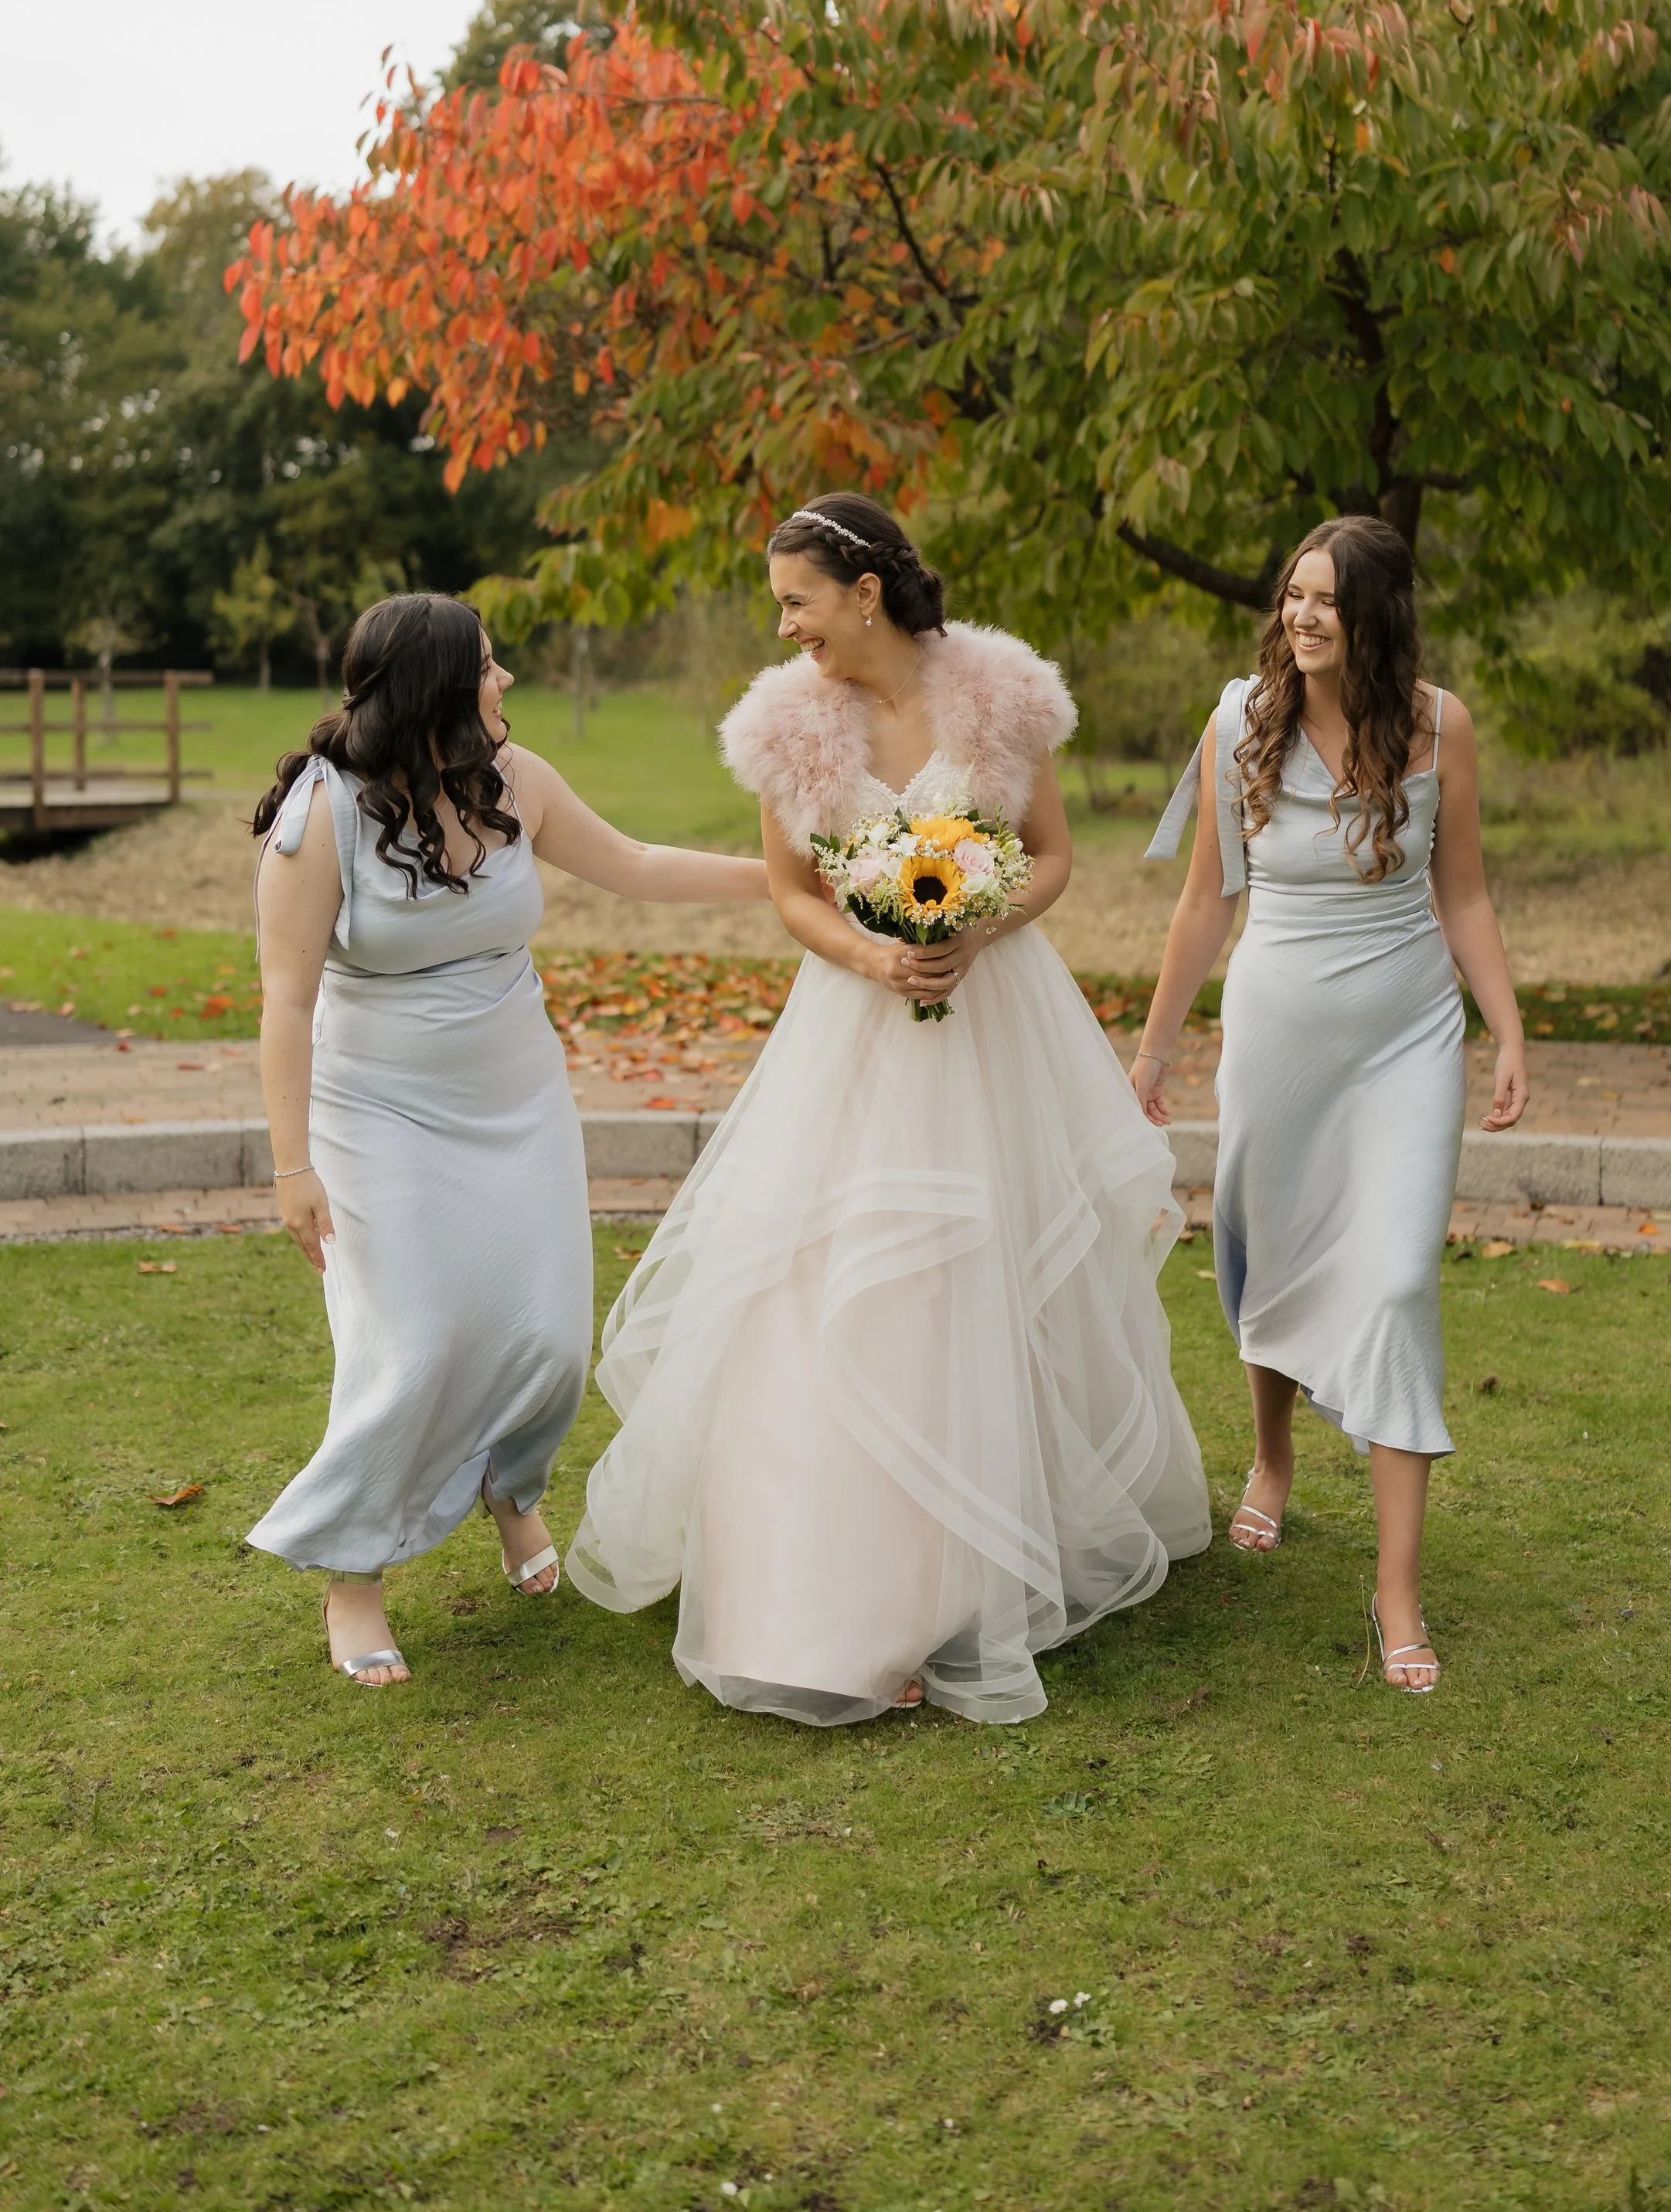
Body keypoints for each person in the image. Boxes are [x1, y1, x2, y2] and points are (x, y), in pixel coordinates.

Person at [567, 493, 1210, 1724]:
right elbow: (790, 892)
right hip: (854, 1036)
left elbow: (1056, 859)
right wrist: (872, 958)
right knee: (828, 1282)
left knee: (992, 1279)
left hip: (995, 1024)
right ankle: (822, 1592)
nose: (787, 624)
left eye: (798, 599)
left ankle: (973, 1574)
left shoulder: (1005, 695)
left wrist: (977, 923)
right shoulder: (785, 728)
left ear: (864, 591)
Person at [248, 591, 770, 1687]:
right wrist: (292, 1168)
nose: (509, 681)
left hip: (517, 1099)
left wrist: (786, 883)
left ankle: (511, 1492)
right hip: (376, 1115)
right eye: (490, 666)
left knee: (546, 1340)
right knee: (417, 1341)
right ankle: (355, 1570)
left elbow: (632, 863)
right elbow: (285, 1002)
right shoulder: (324, 810)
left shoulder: (514, 781)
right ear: (438, 688)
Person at [1134, 516, 1526, 1693]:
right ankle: (1272, 1456)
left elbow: (1462, 894)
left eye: (1328, 601)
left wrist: (1506, 1023)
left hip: (1407, 1037)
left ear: (1377, 617)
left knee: (1398, 1280)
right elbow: (1206, 901)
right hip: (1277, 1034)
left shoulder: (1440, 726)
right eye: (1294, 595)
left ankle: (1397, 1593)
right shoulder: (1238, 721)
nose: (1303, 616)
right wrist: (1153, 1051)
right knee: (1267, 1256)